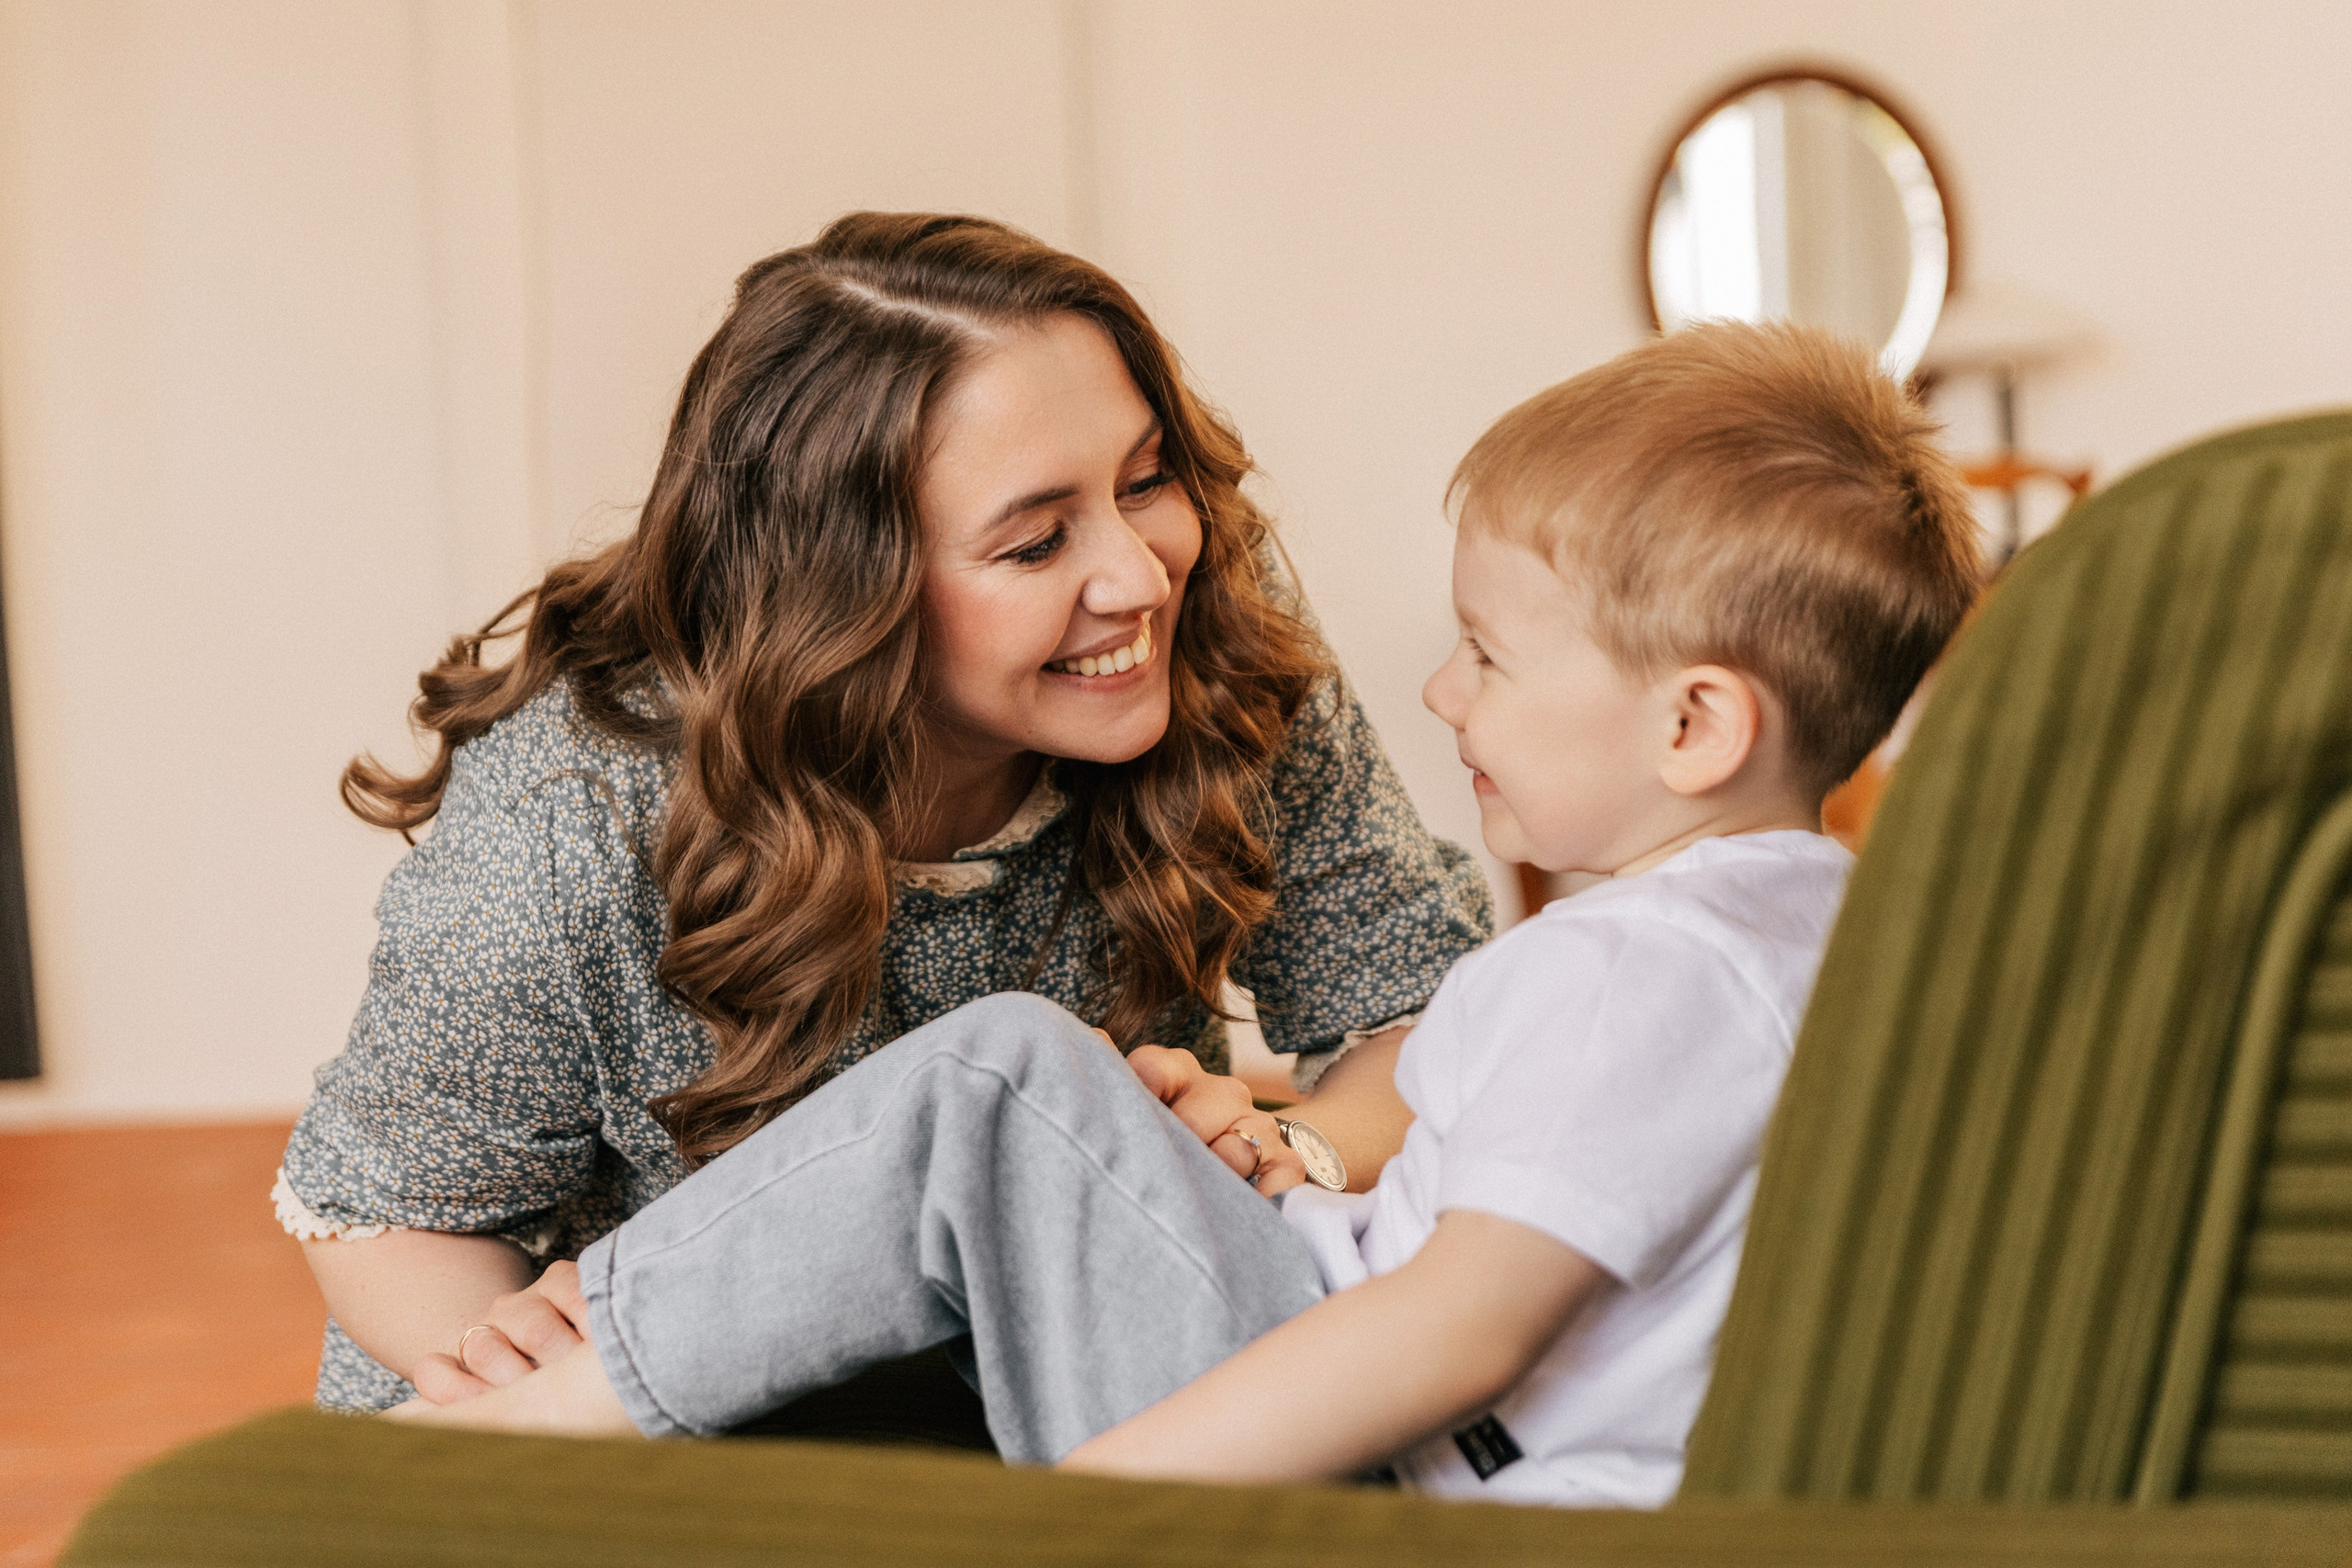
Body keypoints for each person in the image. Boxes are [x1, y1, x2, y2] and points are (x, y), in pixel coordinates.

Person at [393, 320, 1982, 1506]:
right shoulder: (1810, 939)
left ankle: (535, 1417)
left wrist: (1079, 1516)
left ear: (1695, 727)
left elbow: (1454, 1335)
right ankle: (575, 1382)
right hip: (1398, 1430)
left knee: (998, 1083)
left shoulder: (1643, 971)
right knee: (1043, 1103)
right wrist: (1273, 1159)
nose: (1442, 693)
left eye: (1490, 657)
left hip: (1384, 1481)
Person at [277, 212, 1494, 1415]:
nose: (1137, 575)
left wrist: (1295, 1151)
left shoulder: (1204, 631)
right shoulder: (572, 817)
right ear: (840, 594)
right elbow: (384, 1213)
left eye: (1146, 481)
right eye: (1035, 543)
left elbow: (1426, 1022)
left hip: (1042, 1373)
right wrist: (546, 1377)